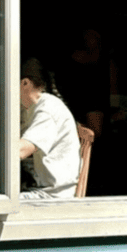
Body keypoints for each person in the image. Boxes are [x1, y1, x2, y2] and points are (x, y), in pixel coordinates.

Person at [19, 58, 81, 199]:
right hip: (35, 186)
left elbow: (21, 150)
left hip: (50, 195)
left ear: (25, 83)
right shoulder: (30, 109)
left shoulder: (48, 109)